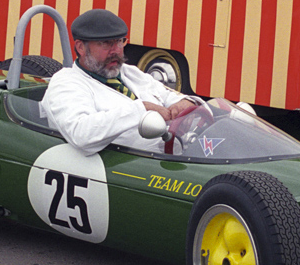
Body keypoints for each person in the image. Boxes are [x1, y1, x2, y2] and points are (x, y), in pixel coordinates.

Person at [40, 9, 196, 155]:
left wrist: (184, 102)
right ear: (81, 47)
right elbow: (81, 134)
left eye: (119, 42)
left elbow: (167, 95)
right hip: (124, 167)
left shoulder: (129, 72)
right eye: (106, 43)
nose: (115, 50)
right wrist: (141, 109)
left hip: (171, 157)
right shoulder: (66, 82)